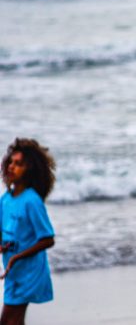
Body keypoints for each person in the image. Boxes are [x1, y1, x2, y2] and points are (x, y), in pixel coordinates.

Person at [0, 138, 56, 325]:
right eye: (11, 162)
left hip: (29, 272)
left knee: (9, 320)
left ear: (29, 170)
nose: (11, 167)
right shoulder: (5, 199)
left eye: (18, 164)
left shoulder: (32, 201)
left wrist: (16, 257)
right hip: (13, 272)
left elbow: (48, 239)